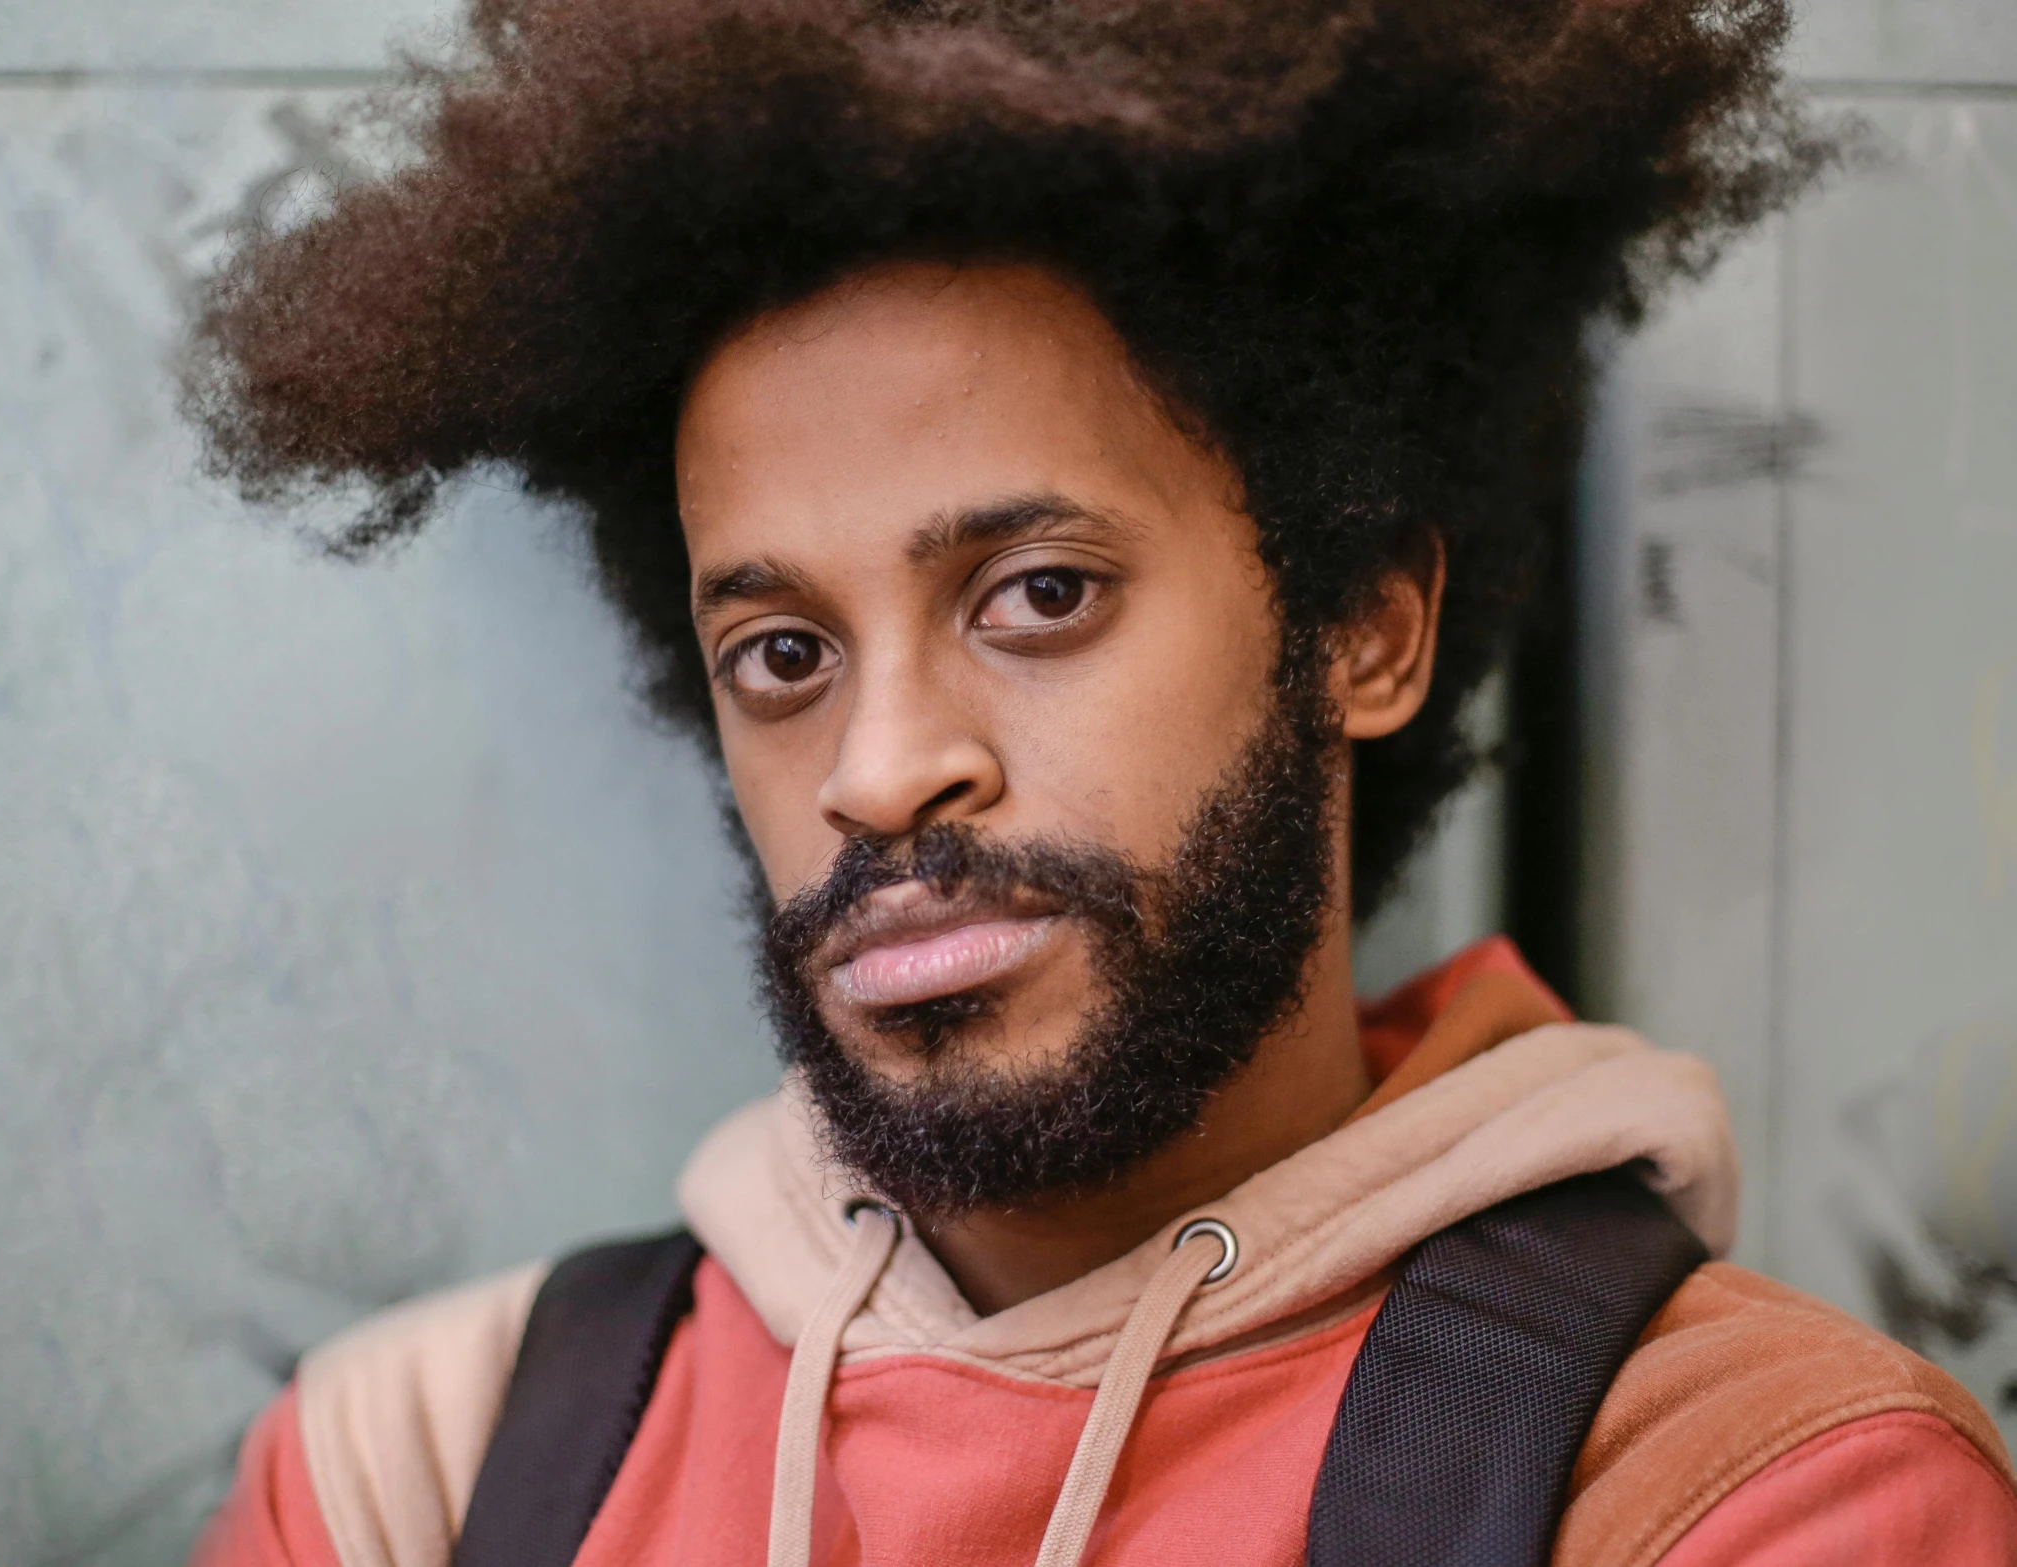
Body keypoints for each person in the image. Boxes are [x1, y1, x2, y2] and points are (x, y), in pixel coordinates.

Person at [182, 1, 2017, 1561]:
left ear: (1362, 621)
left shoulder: (1748, 1493)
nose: (881, 772)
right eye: (783, 655)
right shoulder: (415, 1477)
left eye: (1037, 596)